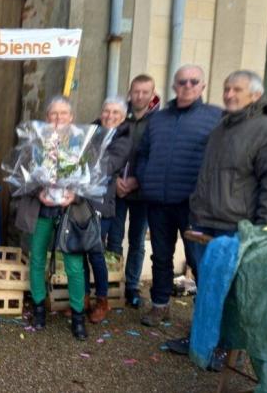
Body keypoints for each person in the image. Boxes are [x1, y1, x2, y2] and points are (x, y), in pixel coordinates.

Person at [165, 70, 267, 358]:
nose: (229, 94)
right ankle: (204, 339)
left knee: (234, 293)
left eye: (237, 89)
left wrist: (264, 230)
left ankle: (227, 347)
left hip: (240, 228)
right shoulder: (222, 128)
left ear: (255, 95)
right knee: (209, 286)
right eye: (227, 88)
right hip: (207, 223)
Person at [136, 64, 222, 327]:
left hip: (193, 205)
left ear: (202, 86)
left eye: (193, 82)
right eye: (182, 82)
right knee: (161, 256)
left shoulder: (215, 117)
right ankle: (160, 306)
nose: (187, 86)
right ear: (174, 86)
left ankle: (204, 314)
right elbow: (143, 153)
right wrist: (145, 177)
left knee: (197, 259)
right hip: (159, 202)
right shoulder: (158, 119)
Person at [14, 96, 86, 339]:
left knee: (74, 266)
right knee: (37, 259)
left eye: (63, 113)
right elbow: (23, 176)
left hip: (69, 213)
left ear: (71, 117)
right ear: (46, 118)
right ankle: (38, 308)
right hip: (42, 210)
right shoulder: (35, 144)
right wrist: (39, 191)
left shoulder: (82, 143)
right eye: (53, 114)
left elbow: (91, 180)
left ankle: (78, 316)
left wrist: (74, 195)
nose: (58, 118)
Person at [107, 74, 160, 308]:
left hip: (143, 191)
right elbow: (101, 147)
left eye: (144, 92)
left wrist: (138, 180)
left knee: (137, 240)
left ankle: (131, 285)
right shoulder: (119, 115)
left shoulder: (159, 121)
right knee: (114, 238)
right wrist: (115, 179)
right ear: (130, 92)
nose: (139, 96)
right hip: (117, 189)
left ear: (152, 94)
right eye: (135, 91)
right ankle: (112, 283)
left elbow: (159, 155)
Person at [83, 97, 131, 324]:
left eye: (115, 113)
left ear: (122, 117)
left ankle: (102, 300)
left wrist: (83, 160)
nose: (109, 116)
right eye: (106, 111)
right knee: (78, 252)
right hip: (82, 202)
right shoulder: (91, 131)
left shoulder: (122, 139)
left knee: (95, 253)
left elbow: (108, 166)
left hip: (103, 203)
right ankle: (82, 299)